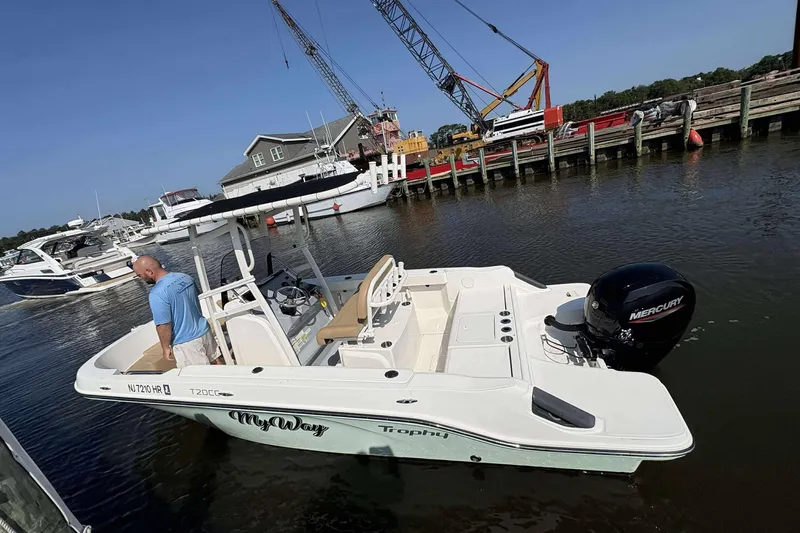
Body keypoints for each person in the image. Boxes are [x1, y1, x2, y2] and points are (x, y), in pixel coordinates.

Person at [132, 256, 222, 367]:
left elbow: (163, 325)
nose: (141, 279)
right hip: (204, 330)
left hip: (187, 342)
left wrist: (165, 347)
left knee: (201, 378)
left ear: (149, 272)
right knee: (217, 362)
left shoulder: (157, 293)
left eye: (140, 275)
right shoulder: (185, 277)